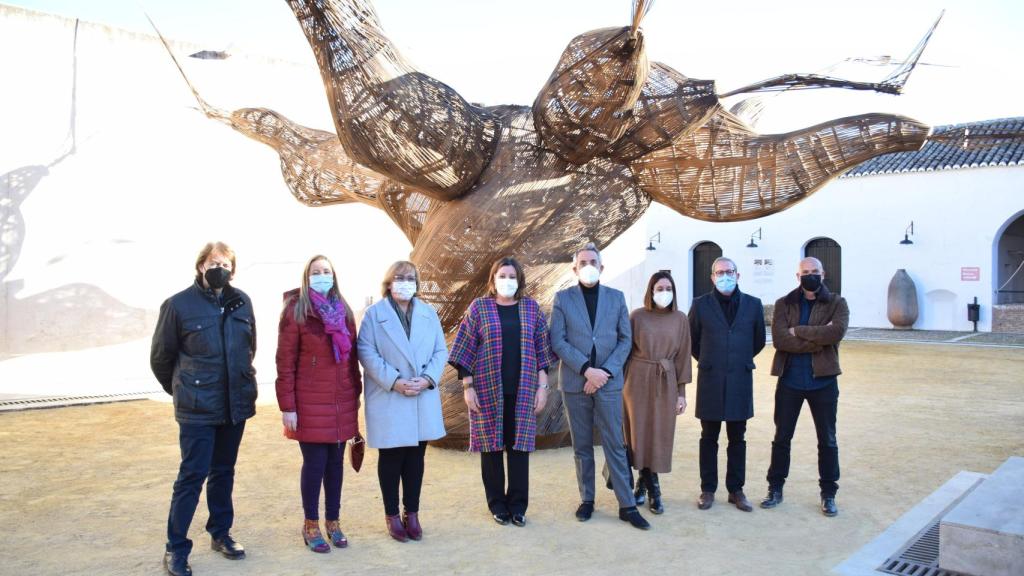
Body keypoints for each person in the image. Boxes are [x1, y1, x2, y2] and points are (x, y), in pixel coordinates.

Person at [151, 242, 258, 576]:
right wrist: (185, 389)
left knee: (224, 471)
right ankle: (176, 548)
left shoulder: (242, 302)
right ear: (200, 266)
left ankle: (220, 532)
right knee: (192, 476)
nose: (219, 267)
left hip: (233, 405)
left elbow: (249, 348)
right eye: (214, 262)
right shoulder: (178, 305)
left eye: (225, 263)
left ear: (232, 269)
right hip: (197, 408)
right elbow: (160, 358)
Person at [449, 256, 555, 527]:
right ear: (493, 280)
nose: (507, 281)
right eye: (502, 275)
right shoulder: (479, 309)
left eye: (512, 276)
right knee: (491, 448)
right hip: (486, 389)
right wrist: (468, 387)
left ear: (519, 281)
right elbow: (465, 349)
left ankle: (518, 506)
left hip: (524, 390)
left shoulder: (531, 309)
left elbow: (542, 353)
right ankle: (497, 504)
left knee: (519, 448)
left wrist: (542, 388)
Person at [550, 242, 650, 530]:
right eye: (583, 262)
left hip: (607, 382)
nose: (588, 266)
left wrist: (603, 372)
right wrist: (586, 370)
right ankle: (587, 500)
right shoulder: (563, 299)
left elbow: (625, 340)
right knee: (582, 445)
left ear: (602, 267)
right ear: (574, 268)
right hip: (575, 382)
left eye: (593, 261)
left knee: (614, 443)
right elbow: (558, 340)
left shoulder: (616, 298)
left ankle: (626, 504)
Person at [275, 255, 361, 552]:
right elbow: (284, 363)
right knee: (315, 464)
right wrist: (288, 407)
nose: (322, 276)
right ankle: (310, 524)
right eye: (316, 272)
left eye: (326, 271)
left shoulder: (344, 309)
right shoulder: (296, 311)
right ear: (306, 276)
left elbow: (352, 360)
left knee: (336, 465)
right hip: (309, 403)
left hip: (340, 400)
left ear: (333, 276)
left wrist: (355, 396)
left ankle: (333, 522)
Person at [357, 261, 448, 542]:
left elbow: (440, 350)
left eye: (410, 278)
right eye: (399, 277)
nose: (405, 282)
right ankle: (392, 515)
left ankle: (413, 512)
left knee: (416, 457)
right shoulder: (374, 315)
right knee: (392, 456)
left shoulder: (428, 313)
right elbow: (366, 351)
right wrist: (394, 381)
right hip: (390, 395)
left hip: (421, 394)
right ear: (388, 282)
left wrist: (428, 378)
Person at [760, 256, 849, 517]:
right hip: (790, 380)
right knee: (781, 438)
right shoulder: (784, 303)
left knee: (828, 439)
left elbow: (836, 332)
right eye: (805, 272)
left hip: (823, 380)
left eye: (814, 271)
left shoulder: (837, 303)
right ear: (797, 277)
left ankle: (828, 493)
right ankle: (775, 488)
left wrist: (797, 331)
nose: (810, 275)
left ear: (823, 274)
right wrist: (818, 336)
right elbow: (779, 340)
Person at [688, 257, 766, 512]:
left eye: (729, 271)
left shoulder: (753, 305)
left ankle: (736, 490)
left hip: (740, 379)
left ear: (738, 274)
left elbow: (758, 341)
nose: (725, 276)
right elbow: (693, 340)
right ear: (712, 277)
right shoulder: (700, 305)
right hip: (710, 378)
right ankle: (707, 489)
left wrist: (736, 359)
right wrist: (713, 360)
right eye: (719, 272)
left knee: (738, 437)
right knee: (708, 437)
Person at [622, 271, 692, 515]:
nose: (664, 292)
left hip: (666, 379)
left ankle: (645, 483)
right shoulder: (637, 317)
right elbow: (625, 350)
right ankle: (653, 490)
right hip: (637, 379)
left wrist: (681, 393)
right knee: (639, 433)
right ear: (651, 291)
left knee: (660, 433)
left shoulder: (681, 319)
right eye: (659, 288)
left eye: (668, 288)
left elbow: (683, 356)